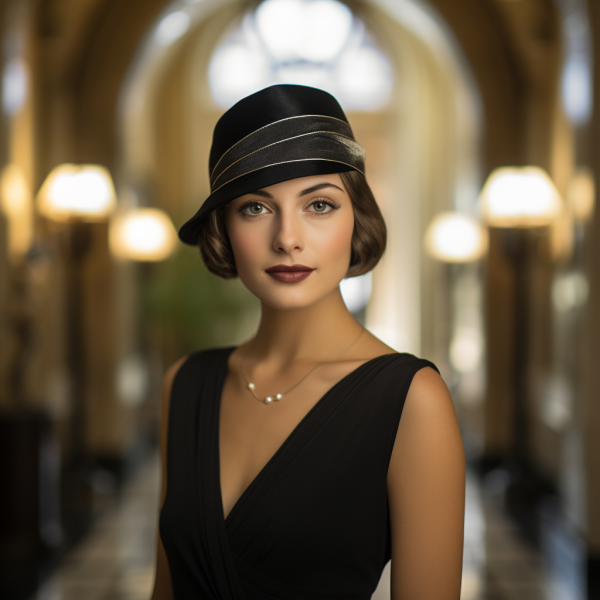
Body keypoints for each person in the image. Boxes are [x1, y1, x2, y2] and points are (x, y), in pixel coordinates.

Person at [150, 84, 465, 600]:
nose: (287, 237)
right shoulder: (184, 385)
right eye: (255, 207)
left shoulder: (411, 400)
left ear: (356, 218)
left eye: (318, 204)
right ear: (224, 229)